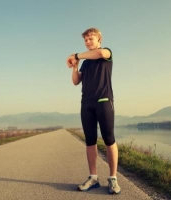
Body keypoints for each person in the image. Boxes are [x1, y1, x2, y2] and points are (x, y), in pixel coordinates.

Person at [66, 27, 121, 194]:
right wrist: (75, 67)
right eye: (86, 40)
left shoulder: (105, 53)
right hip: (87, 103)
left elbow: (99, 54)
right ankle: (93, 177)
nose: (88, 42)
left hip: (103, 101)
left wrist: (76, 56)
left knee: (109, 139)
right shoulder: (86, 61)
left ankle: (113, 179)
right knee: (90, 141)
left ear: (99, 40)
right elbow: (76, 81)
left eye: (91, 39)